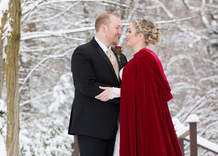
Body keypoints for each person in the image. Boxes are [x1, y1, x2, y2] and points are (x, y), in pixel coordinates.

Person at [98, 17, 182, 156]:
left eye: (130, 31)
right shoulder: (146, 58)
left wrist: (114, 92)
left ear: (140, 35)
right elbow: (143, 91)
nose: (126, 34)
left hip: (143, 121)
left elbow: (144, 94)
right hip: (144, 118)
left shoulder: (143, 60)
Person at [68, 12, 128, 156]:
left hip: (112, 126)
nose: (120, 32)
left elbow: (126, 87)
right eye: (117, 28)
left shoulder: (120, 55)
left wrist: (119, 93)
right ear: (104, 28)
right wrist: (118, 93)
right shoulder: (83, 52)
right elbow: (87, 86)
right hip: (91, 126)